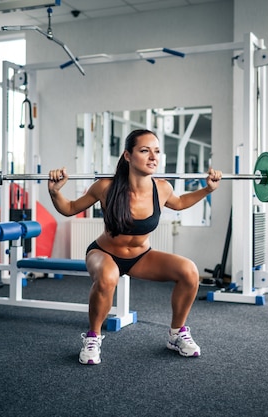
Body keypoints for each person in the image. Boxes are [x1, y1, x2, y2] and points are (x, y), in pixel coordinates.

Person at [47, 129, 222, 365]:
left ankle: (176, 333)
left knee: (189, 271)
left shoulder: (162, 188)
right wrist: (55, 191)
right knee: (108, 277)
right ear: (127, 156)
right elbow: (69, 208)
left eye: (157, 151)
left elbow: (179, 203)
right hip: (104, 253)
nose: (153, 157)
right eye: (144, 150)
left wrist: (208, 189)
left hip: (141, 257)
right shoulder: (106, 187)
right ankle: (93, 336)